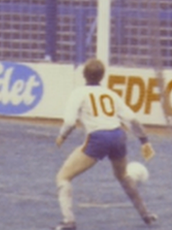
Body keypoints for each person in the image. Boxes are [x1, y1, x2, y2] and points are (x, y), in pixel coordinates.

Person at [53, 58, 157, 230]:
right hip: (118, 135)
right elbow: (131, 119)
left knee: (63, 177)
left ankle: (69, 221)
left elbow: (70, 122)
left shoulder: (78, 93)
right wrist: (144, 140)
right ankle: (145, 214)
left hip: (98, 138)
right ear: (102, 76)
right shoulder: (111, 94)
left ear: (84, 74)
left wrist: (62, 136)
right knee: (123, 175)